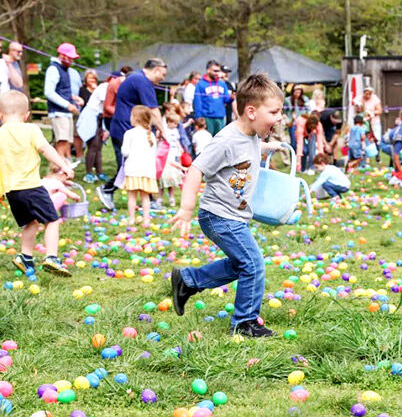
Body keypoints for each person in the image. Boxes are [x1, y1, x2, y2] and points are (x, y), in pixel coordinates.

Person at [168, 73, 285, 338]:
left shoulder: (252, 135)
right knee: (253, 264)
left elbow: (249, 151)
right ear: (251, 111)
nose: (279, 117)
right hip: (219, 216)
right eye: (275, 111)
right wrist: (186, 208)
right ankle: (244, 323)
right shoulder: (225, 140)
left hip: (234, 216)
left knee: (239, 264)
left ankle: (188, 280)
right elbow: (196, 169)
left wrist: (268, 147)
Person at [0, 90, 73, 276]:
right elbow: (46, 149)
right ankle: (52, 258)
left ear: (0, 115)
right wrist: (63, 165)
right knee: (52, 221)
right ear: (27, 115)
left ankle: (25, 257)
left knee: (31, 223)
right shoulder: (31, 129)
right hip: (31, 186)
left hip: (12, 192)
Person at [98, 59, 166, 210]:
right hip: (125, 129)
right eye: (162, 74)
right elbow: (153, 110)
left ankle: (149, 199)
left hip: (129, 127)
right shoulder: (142, 81)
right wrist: (164, 131)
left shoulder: (136, 78)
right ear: (155, 70)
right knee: (127, 165)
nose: (163, 78)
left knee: (140, 163)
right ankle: (107, 189)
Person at [44, 43, 84, 161]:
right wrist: (67, 105)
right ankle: (58, 168)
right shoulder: (53, 69)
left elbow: (61, 91)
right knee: (61, 142)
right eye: (70, 57)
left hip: (66, 112)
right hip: (58, 112)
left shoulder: (65, 69)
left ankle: (66, 166)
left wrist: (73, 98)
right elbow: (49, 92)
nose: (72, 60)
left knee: (67, 142)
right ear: (62, 56)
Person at [121, 106, 158, 227]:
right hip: (147, 171)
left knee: (132, 196)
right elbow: (154, 153)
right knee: (145, 197)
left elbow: (125, 152)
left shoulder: (129, 133)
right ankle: (146, 220)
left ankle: (131, 219)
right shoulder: (151, 135)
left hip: (133, 170)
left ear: (136, 118)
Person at [76, 78, 110, 183]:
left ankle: (100, 172)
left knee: (99, 146)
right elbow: (106, 104)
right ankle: (89, 173)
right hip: (90, 117)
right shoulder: (104, 87)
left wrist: (105, 129)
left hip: (99, 117)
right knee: (93, 145)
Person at [193, 60, 232, 135]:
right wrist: (198, 117)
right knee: (207, 141)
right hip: (207, 118)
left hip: (220, 118)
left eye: (218, 71)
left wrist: (231, 98)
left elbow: (226, 99)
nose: (217, 73)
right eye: (215, 71)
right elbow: (198, 102)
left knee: (219, 142)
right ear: (208, 70)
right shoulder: (201, 84)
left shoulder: (222, 84)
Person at [160, 112, 185, 206]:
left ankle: (171, 197)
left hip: (174, 154)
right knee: (163, 178)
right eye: (174, 123)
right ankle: (160, 198)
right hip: (166, 156)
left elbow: (176, 140)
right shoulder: (165, 131)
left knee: (172, 178)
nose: (176, 125)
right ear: (168, 122)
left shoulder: (175, 131)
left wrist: (180, 147)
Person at [284, 85, 309, 151]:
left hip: (303, 125)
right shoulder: (287, 100)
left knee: (304, 147)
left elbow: (309, 111)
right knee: (294, 144)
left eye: (299, 89)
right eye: (296, 89)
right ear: (293, 91)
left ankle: (303, 161)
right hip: (293, 124)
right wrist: (287, 119)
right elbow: (284, 112)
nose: (298, 91)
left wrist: (305, 117)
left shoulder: (305, 99)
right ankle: (293, 159)